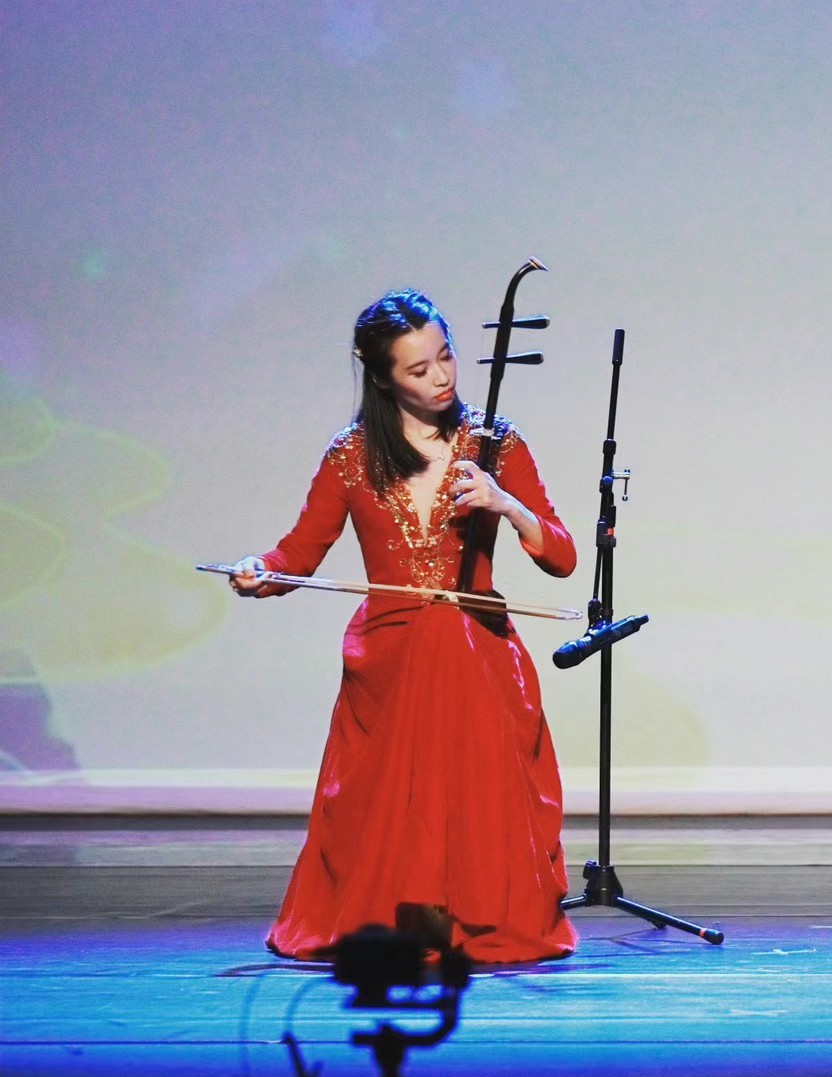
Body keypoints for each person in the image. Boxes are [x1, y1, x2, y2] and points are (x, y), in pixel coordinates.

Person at [228, 289, 578, 964]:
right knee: (379, 812)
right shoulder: (350, 455)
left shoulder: (495, 443)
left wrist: (503, 503)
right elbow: (296, 556)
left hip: (475, 652)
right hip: (389, 660)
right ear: (383, 376)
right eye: (419, 369)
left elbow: (561, 555)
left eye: (445, 356)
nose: (442, 376)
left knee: (477, 807)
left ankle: (478, 918)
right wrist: (257, 571)